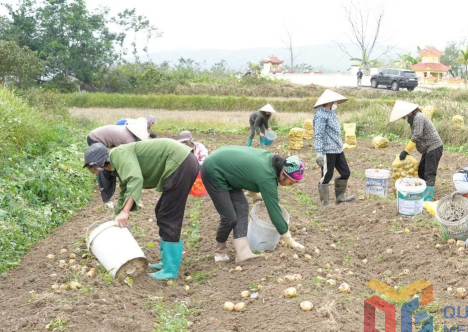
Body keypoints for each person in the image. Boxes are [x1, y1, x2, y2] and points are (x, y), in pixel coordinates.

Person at [83, 138, 199, 280]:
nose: (94, 174)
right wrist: (117, 215)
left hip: (180, 163)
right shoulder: (116, 165)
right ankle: (166, 262)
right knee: (161, 212)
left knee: (168, 215)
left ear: (96, 166)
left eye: (92, 170)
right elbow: (125, 189)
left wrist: (125, 212)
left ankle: (170, 270)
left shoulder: (118, 154)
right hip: (181, 163)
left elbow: (135, 179)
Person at [202, 147, 305, 263]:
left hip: (228, 172)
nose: (290, 185)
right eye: (291, 182)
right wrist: (289, 240)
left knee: (242, 207)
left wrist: (255, 195)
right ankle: (220, 251)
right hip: (214, 170)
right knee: (229, 217)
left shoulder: (271, 162)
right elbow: (274, 212)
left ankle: (242, 252)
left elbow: (247, 174)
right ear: (282, 174)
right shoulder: (267, 177)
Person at [389, 100, 443, 201]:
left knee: (429, 173)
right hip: (428, 149)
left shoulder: (418, 117)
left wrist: (406, 151)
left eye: (403, 115)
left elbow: (417, 136)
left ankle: (426, 199)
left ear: (409, 112)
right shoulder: (413, 118)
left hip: (434, 147)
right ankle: (421, 191)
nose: (403, 118)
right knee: (421, 170)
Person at [86, 120, 150, 203]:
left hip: (93, 135)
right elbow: (126, 156)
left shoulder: (126, 131)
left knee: (108, 162)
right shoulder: (128, 139)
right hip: (95, 139)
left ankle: (108, 179)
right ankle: (104, 185)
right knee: (101, 164)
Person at [313, 89, 355, 206]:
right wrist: (319, 153)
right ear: (329, 102)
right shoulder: (320, 115)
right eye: (335, 102)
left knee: (345, 172)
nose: (336, 104)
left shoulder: (331, 113)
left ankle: (340, 197)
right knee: (326, 176)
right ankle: (325, 203)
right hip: (328, 150)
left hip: (337, 149)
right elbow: (318, 134)